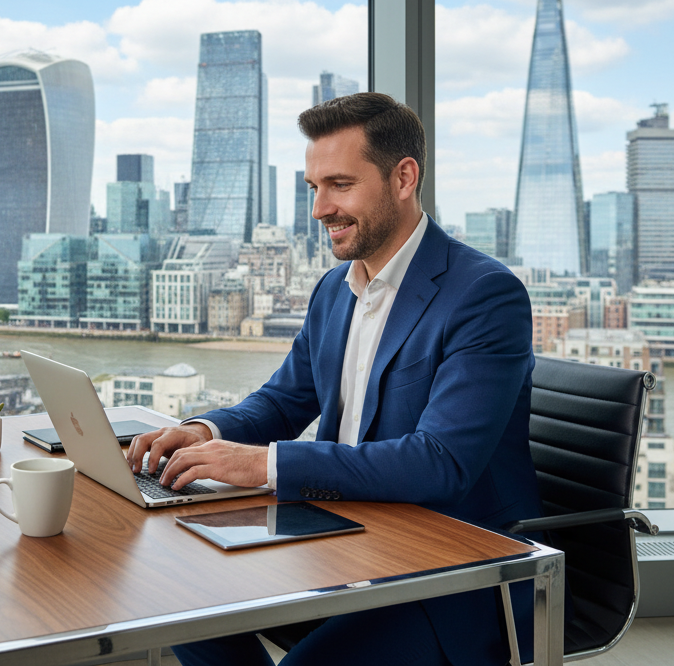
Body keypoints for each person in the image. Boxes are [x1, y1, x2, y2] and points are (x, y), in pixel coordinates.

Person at [127, 92, 542, 666]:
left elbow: (440, 462)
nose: (320, 209)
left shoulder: (483, 296)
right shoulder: (333, 290)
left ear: (403, 178)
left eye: (339, 185)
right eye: (313, 188)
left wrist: (263, 464)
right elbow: (283, 399)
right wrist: (203, 431)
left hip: (451, 575)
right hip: (342, 541)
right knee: (170, 591)